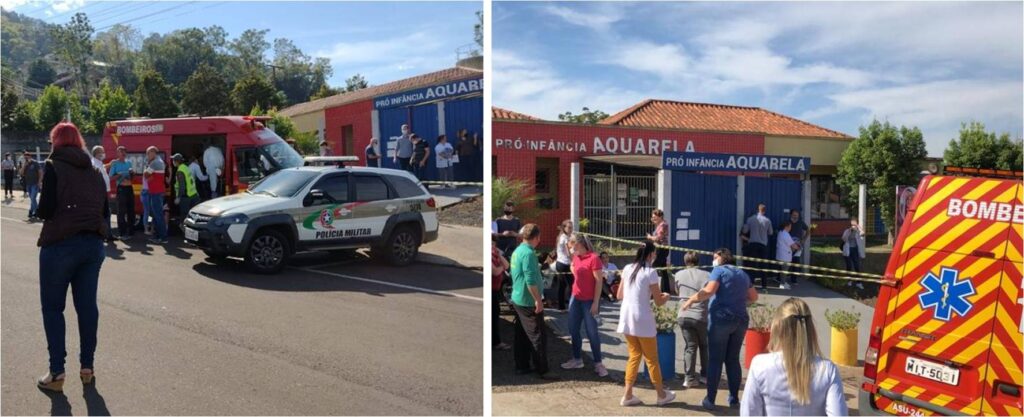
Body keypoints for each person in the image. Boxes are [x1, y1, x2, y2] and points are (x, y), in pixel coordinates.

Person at [34, 122, 107, 392]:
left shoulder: (53, 166)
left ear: (55, 141)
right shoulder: (95, 170)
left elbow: (45, 210)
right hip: (93, 244)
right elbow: (104, 210)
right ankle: (87, 366)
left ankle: (57, 372)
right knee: (87, 307)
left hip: (60, 244)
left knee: (53, 308)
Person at [741, 298, 848, 416]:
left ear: (778, 327)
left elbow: (748, 412)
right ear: (810, 329)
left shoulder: (760, 365)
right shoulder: (827, 370)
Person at [681, 248, 759, 411]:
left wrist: (691, 300)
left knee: (715, 360)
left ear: (722, 258)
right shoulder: (743, 274)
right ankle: (734, 400)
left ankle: (710, 399)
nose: (713, 260)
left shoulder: (719, 271)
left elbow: (708, 291)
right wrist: (737, 302)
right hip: (740, 319)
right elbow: (753, 297)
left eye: (714, 257)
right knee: (733, 359)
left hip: (721, 318)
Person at [617, 241, 675, 407]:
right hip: (642, 318)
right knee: (652, 359)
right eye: (654, 253)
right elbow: (658, 301)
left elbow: (619, 295)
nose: (655, 255)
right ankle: (661, 395)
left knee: (634, 356)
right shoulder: (651, 272)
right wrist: (666, 296)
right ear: (650, 254)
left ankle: (628, 395)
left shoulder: (627, 268)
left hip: (626, 316)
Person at [510, 223, 556, 379]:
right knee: (538, 335)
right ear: (537, 237)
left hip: (518, 297)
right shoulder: (529, 253)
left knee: (522, 334)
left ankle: (521, 365)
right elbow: (530, 280)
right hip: (528, 300)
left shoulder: (518, 250)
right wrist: (538, 300)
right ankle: (543, 369)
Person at [560, 233, 609, 377]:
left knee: (592, 332)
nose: (570, 248)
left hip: (589, 301)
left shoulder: (594, 258)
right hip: (576, 298)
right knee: (573, 329)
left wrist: (595, 302)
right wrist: (573, 269)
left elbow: (599, 282)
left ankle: (598, 363)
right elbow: (573, 266)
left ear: (580, 244)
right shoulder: (576, 257)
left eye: (572, 245)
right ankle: (577, 359)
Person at [675, 252, 710, 389]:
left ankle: (689, 378)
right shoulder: (707, 275)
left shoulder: (678, 274)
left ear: (685, 261)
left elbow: (677, 291)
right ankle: (705, 376)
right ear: (698, 261)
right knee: (704, 346)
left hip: (684, 314)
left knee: (690, 347)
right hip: (701, 315)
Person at [741, 203, 774, 290]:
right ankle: (764, 286)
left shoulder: (750, 219)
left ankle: (751, 284)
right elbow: (771, 232)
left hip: (753, 244)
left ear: (757, 210)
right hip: (763, 245)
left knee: (752, 265)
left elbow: (745, 231)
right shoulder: (767, 220)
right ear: (764, 211)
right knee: (763, 266)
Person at [108, 146, 135, 239]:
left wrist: (132, 174)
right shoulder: (115, 163)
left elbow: (132, 177)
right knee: (121, 211)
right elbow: (110, 177)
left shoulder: (129, 162)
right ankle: (122, 233)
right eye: (121, 151)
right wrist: (119, 175)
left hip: (129, 187)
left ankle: (131, 232)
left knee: (131, 210)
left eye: (124, 151)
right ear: (117, 153)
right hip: (121, 188)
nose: (123, 153)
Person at [89, 146, 115, 242]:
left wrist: (110, 164)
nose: (104, 154)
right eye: (102, 152)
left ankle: (108, 234)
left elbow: (102, 167)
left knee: (106, 213)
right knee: (104, 213)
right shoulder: (93, 163)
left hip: (104, 191)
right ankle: (105, 235)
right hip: (99, 192)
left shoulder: (99, 163)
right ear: (97, 153)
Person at [143, 146, 168, 244]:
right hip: (156, 191)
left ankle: (162, 237)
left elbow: (145, 175)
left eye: (148, 153)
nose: (147, 155)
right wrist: (150, 177)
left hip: (156, 192)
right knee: (157, 215)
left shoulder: (155, 163)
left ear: (153, 152)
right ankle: (158, 236)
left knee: (158, 215)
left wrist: (148, 173)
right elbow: (148, 177)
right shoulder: (159, 161)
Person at [492, 235, 511, 351]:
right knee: (493, 316)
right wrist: (501, 268)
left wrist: (499, 255)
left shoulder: (495, 255)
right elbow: (495, 271)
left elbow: (507, 265)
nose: (493, 246)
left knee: (496, 314)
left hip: (496, 290)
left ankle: (495, 341)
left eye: (494, 244)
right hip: (491, 290)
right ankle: (496, 342)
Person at [647, 209, 672, 293]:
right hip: (660, 248)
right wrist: (655, 222)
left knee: (652, 268)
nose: (653, 219)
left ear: (660, 217)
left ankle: (652, 290)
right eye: (652, 217)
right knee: (663, 270)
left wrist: (650, 237)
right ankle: (666, 290)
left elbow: (658, 238)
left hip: (661, 249)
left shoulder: (663, 225)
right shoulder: (660, 225)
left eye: (655, 217)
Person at [172, 153, 199, 231]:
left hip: (186, 197)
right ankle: (193, 229)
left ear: (177, 162)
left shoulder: (180, 171)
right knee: (193, 215)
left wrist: (178, 197)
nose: (173, 162)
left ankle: (185, 231)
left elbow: (182, 186)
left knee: (184, 215)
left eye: (173, 160)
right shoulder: (186, 167)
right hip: (193, 194)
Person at [554, 220, 574, 311]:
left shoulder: (564, 236)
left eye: (571, 227)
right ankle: (570, 306)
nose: (571, 229)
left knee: (563, 286)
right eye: (569, 227)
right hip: (564, 264)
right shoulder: (564, 238)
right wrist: (575, 259)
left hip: (561, 263)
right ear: (564, 228)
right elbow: (569, 252)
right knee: (571, 285)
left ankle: (562, 307)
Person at [776, 221, 800, 290]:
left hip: (781, 255)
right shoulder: (786, 234)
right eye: (790, 227)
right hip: (785, 256)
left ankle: (783, 282)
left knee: (782, 271)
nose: (790, 228)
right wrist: (798, 247)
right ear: (786, 227)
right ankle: (782, 284)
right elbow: (793, 245)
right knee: (784, 271)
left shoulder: (780, 232)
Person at [20, 150, 43, 220]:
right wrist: (24, 165)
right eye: (25, 157)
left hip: (35, 184)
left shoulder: (35, 163)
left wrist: (39, 182)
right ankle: (33, 212)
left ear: (30, 156)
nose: (26, 158)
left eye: (27, 157)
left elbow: (40, 172)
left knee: (33, 198)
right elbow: (21, 173)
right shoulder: (26, 164)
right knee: (32, 199)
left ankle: (35, 212)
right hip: (28, 184)